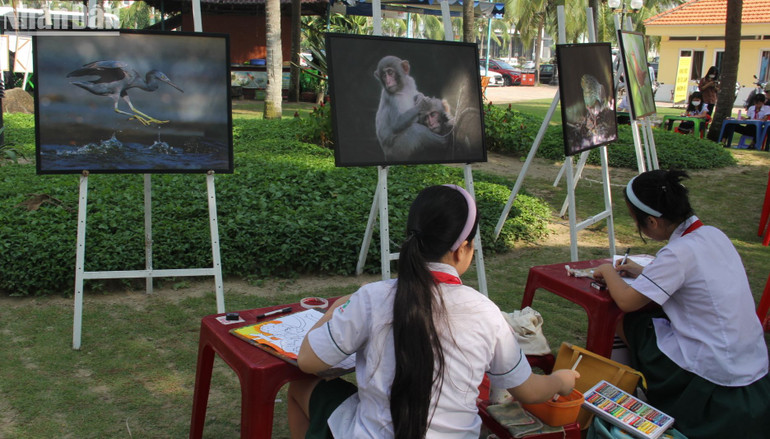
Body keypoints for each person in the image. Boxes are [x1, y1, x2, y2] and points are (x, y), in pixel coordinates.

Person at [287, 184, 578, 439]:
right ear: (463, 249)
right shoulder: (486, 313)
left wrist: (336, 308)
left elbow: (308, 362)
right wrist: (560, 381)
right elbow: (528, 390)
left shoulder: (372, 298)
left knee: (301, 388)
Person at [592, 170, 770, 439]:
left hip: (715, 367)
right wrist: (643, 272)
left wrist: (607, 270)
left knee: (625, 323)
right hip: (750, 357)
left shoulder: (678, 252)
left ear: (651, 222)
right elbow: (696, 280)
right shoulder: (712, 235)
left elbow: (627, 302)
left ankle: (636, 389)